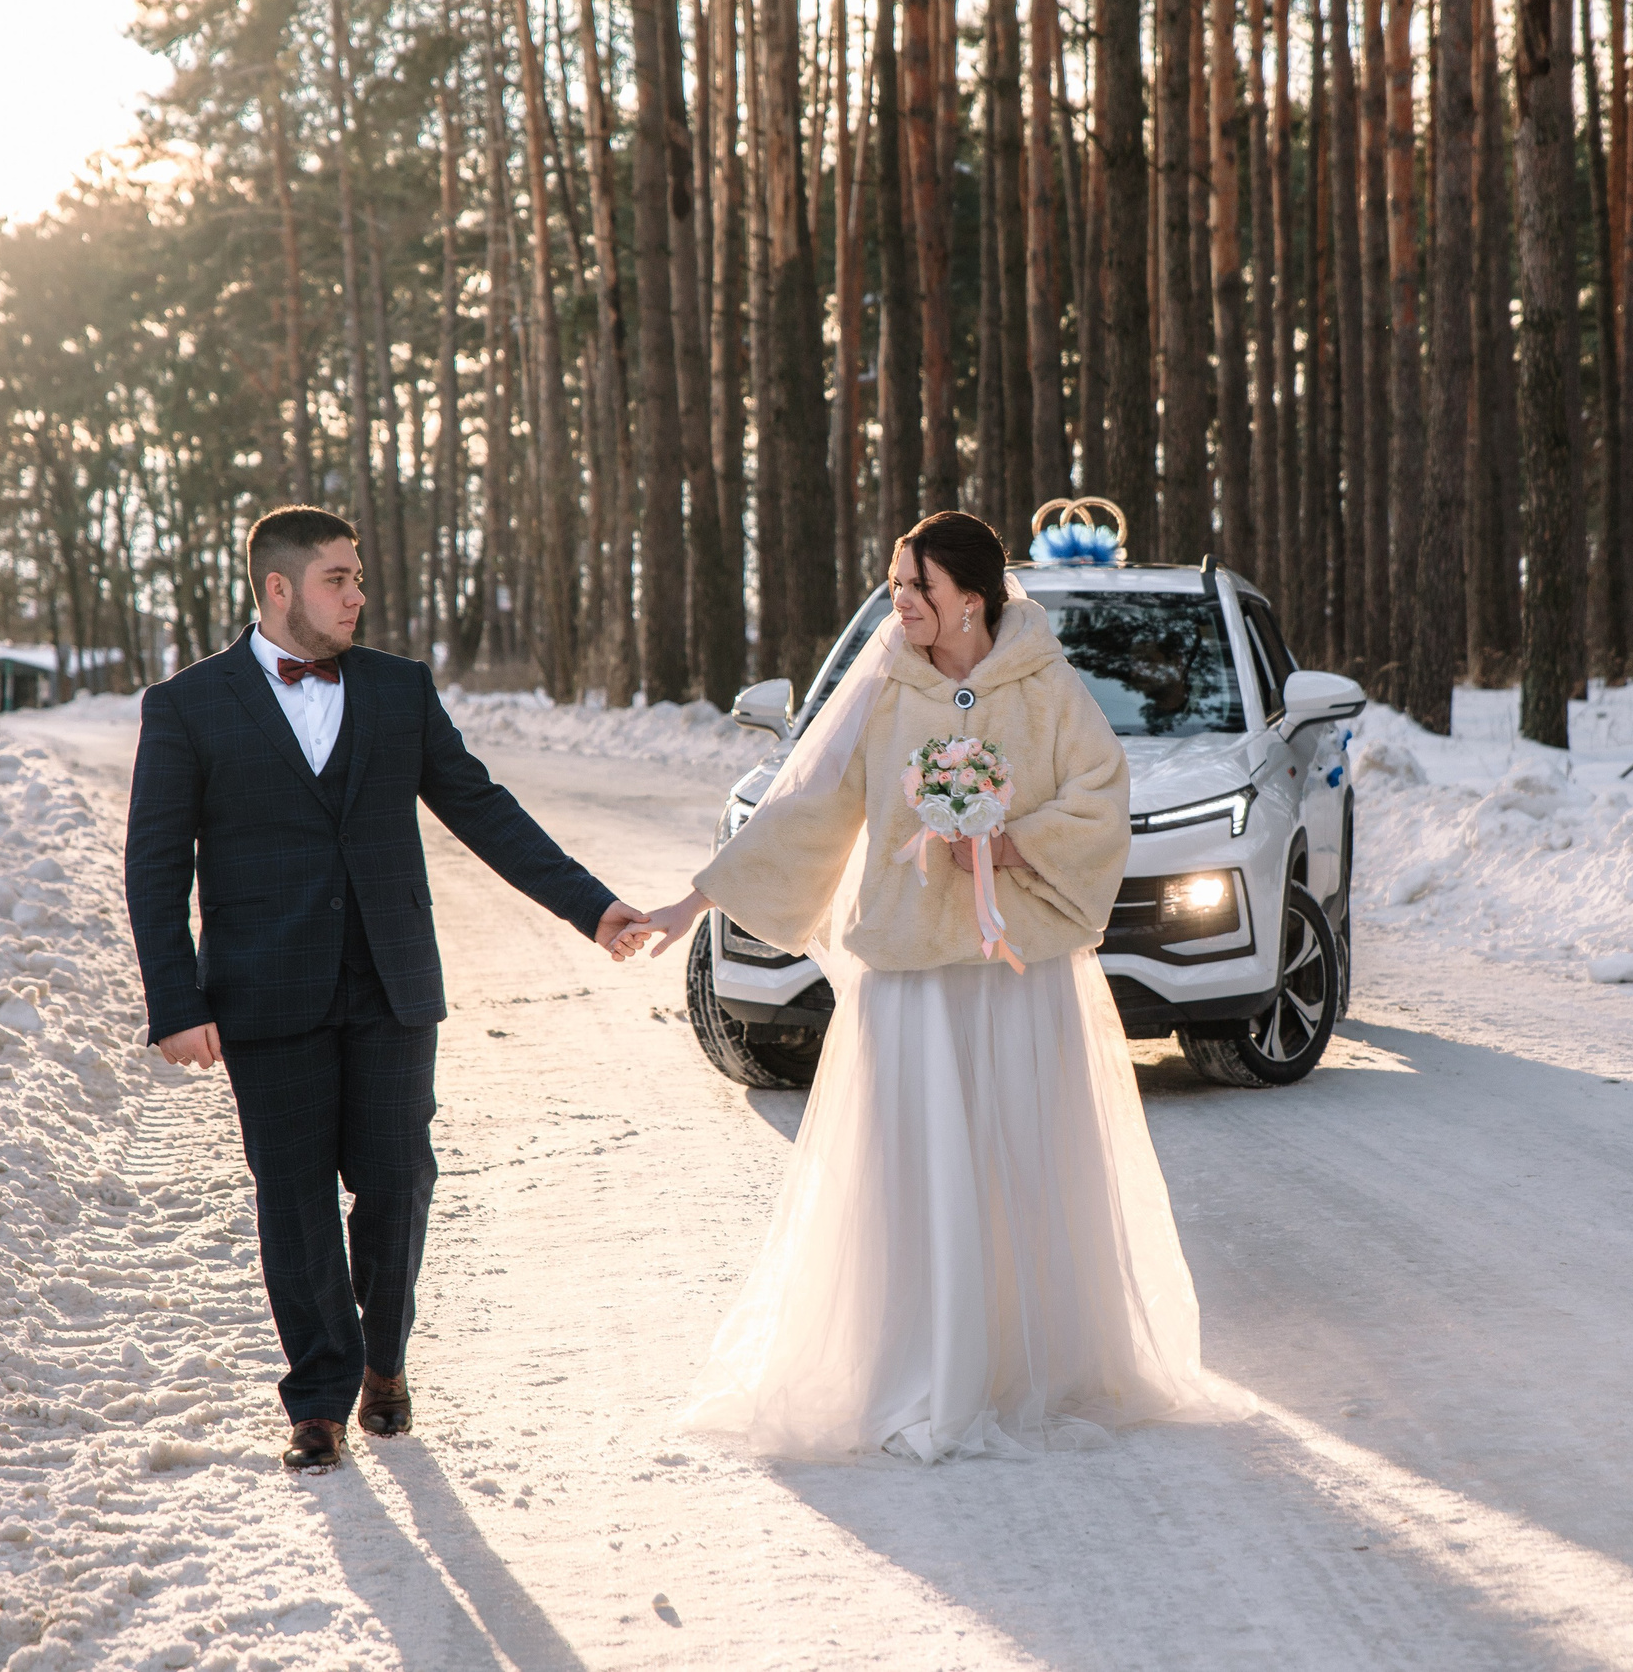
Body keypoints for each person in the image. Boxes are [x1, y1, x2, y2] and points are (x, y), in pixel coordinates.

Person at [620, 511, 1230, 1462]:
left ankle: (1022, 1367)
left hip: (1017, 974)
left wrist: (1008, 843)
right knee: (915, 1171)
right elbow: (805, 809)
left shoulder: (1046, 684)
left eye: (919, 587)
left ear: (972, 601)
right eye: (897, 584)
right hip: (909, 975)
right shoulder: (882, 686)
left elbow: (1102, 795)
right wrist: (694, 900)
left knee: (1023, 1164)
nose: (899, 602)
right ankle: (916, 1363)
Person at [124, 506, 644, 1475]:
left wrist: (592, 907)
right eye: (338, 578)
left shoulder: (400, 690)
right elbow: (154, 867)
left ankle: (384, 1357)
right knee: (294, 1198)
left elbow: (484, 811)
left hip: (392, 984)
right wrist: (177, 1001)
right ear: (278, 588)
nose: (357, 595)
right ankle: (320, 1396)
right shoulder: (188, 706)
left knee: (399, 1180)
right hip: (265, 993)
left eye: (358, 576)